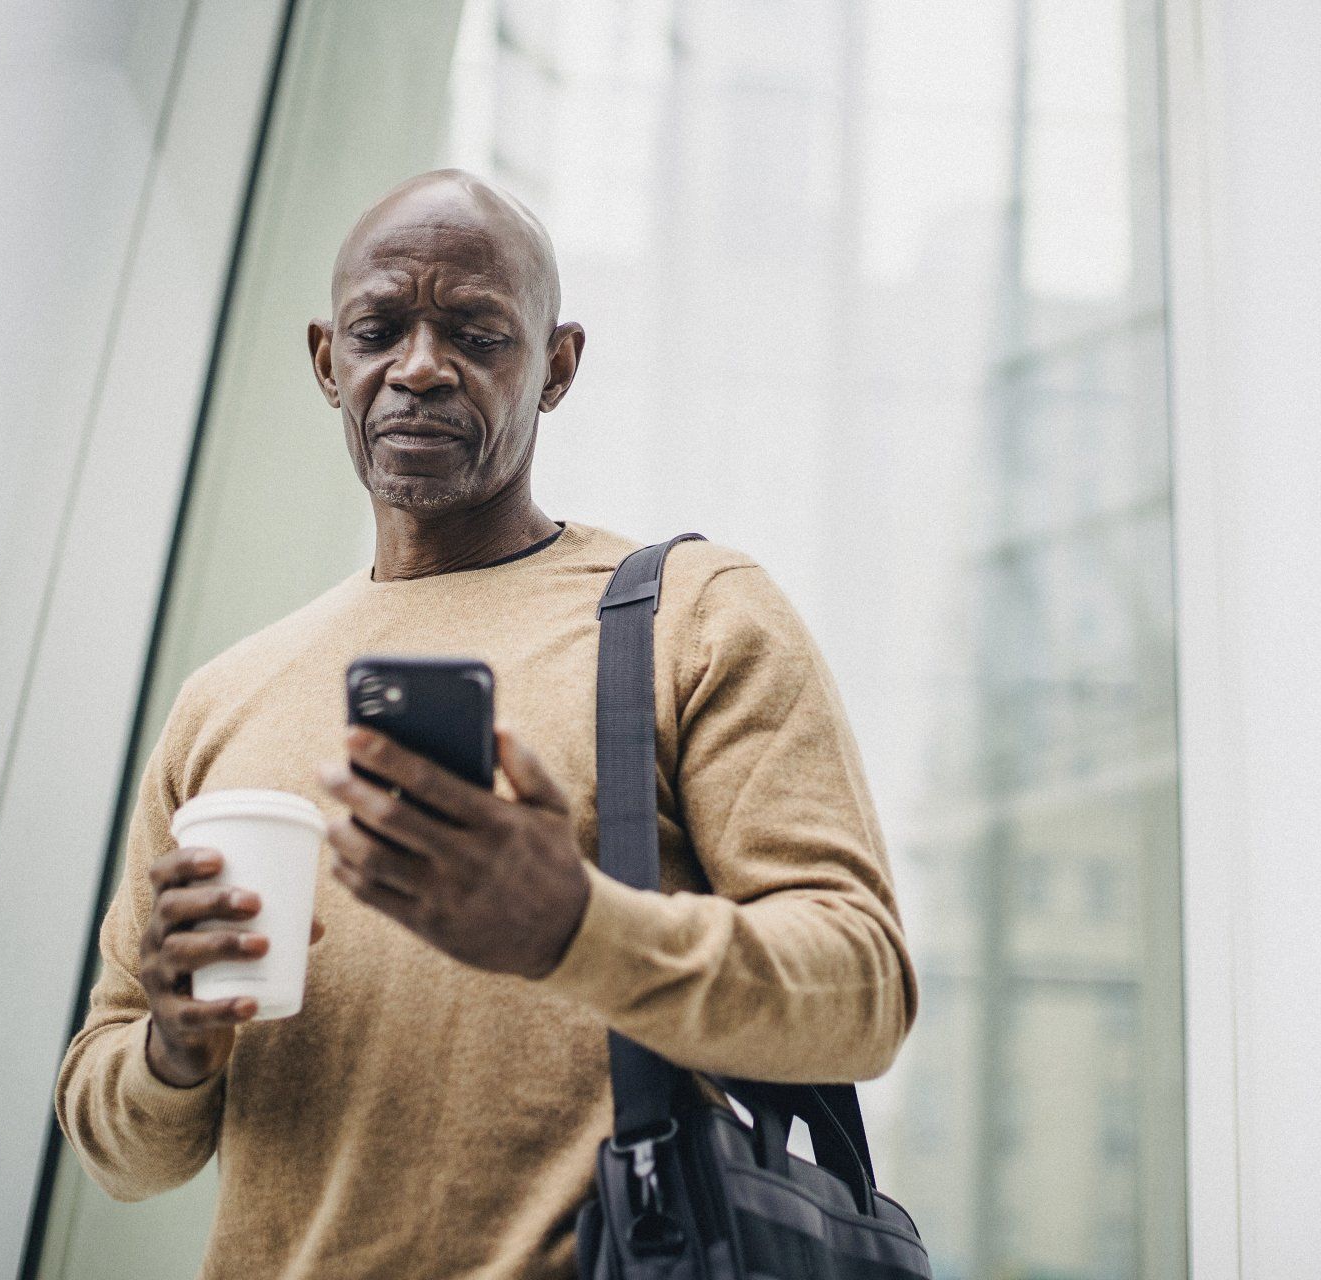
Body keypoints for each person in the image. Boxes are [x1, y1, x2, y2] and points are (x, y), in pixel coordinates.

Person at [53, 169, 916, 1278]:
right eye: (380, 329)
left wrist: (573, 926)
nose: (419, 367)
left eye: (476, 332)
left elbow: (863, 992)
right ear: (329, 359)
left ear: (557, 364)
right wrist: (173, 1046)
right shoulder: (223, 698)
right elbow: (113, 1143)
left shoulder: (692, 612)